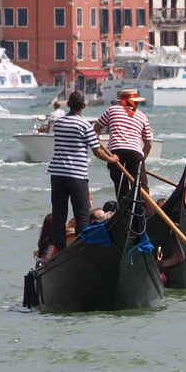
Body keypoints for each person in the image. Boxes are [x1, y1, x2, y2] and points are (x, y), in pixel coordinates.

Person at [48, 90, 118, 257]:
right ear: (84, 106)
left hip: (57, 174)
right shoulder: (85, 126)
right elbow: (98, 152)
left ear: (69, 105)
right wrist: (113, 159)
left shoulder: (58, 123)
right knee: (82, 215)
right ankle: (80, 250)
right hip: (77, 176)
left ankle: (59, 249)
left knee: (59, 214)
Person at [95, 87, 153, 201]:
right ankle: (146, 214)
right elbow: (148, 144)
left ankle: (124, 214)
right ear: (135, 103)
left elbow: (96, 129)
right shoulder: (142, 116)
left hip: (115, 154)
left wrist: (98, 143)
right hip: (135, 153)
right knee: (142, 189)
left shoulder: (112, 110)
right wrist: (142, 161)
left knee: (122, 190)